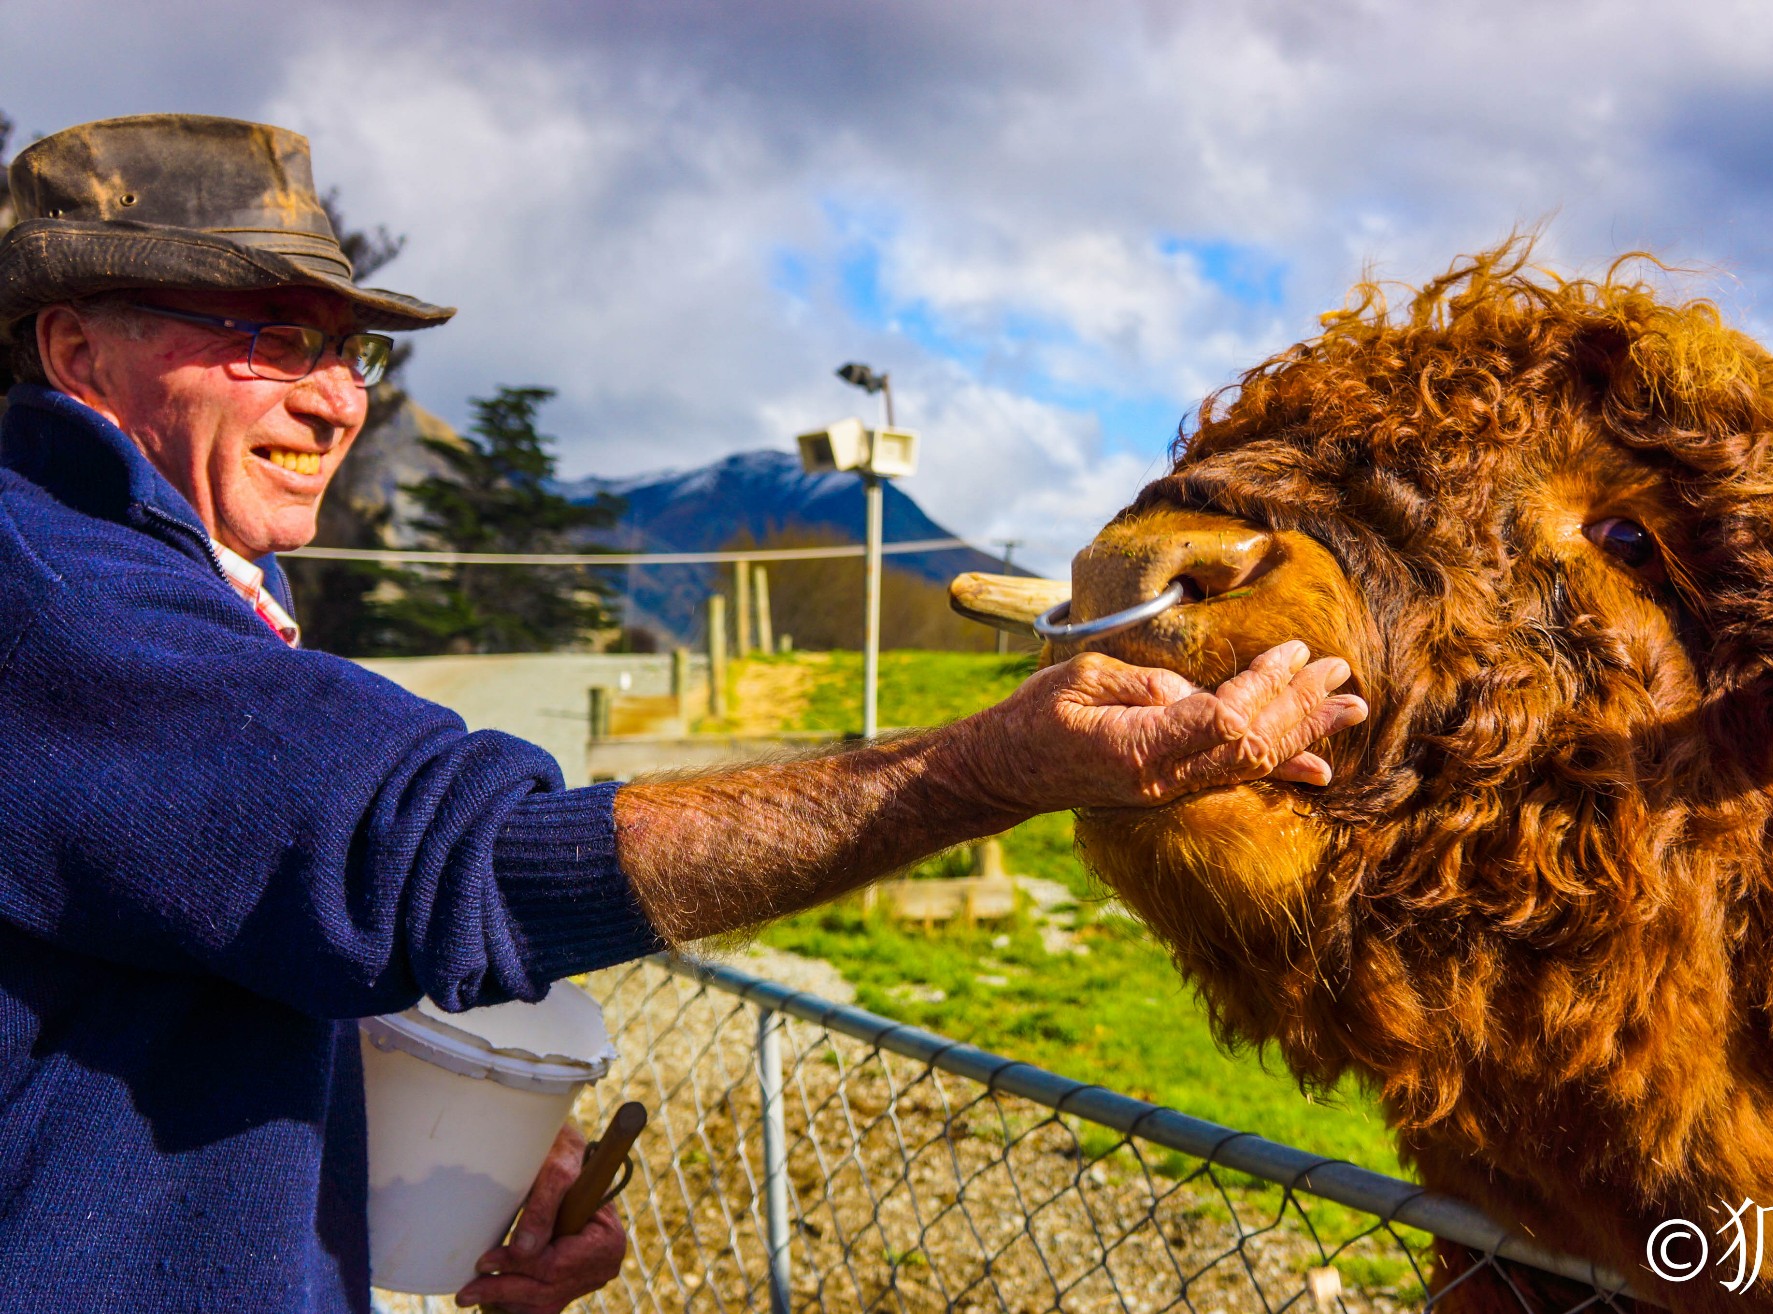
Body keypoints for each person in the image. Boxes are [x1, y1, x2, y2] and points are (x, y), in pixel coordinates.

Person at [0, 115, 1367, 1314]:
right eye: (270, 340)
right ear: (75, 349)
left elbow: (189, 952)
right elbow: (450, 865)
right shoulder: (49, 583)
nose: (337, 397)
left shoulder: (191, 577)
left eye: (349, 349)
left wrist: (413, 1149)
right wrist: (991, 766)